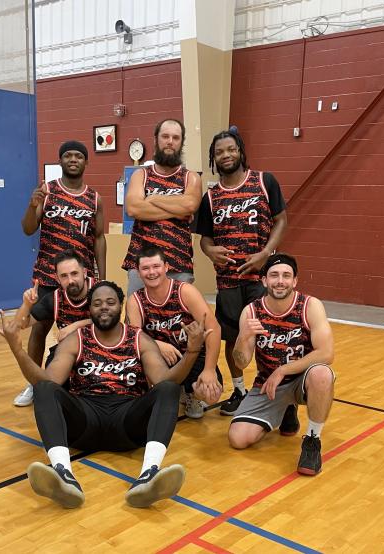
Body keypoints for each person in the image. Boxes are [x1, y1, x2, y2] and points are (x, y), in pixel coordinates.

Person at [0, 281, 218, 508]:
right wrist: (17, 351)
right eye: (97, 303)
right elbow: (48, 381)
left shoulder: (138, 338)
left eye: (110, 302)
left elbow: (164, 380)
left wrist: (192, 351)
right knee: (43, 387)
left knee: (169, 387)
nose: (104, 307)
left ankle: (149, 474)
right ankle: (63, 474)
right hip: (85, 420)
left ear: (120, 306)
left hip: (128, 422)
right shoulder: (78, 338)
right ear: (90, 309)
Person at [197, 127, 290, 422]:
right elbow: (204, 239)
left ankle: (284, 398)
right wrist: (209, 251)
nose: (226, 155)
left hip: (261, 280)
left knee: (272, 338)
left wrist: (265, 254)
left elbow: (281, 220)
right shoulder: (210, 196)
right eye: (219, 152)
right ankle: (238, 390)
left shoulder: (264, 182)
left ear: (240, 151)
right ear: (214, 158)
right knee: (232, 338)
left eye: (230, 150)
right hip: (228, 281)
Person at [14, 140, 106, 407]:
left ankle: (89, 379)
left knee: (91, 330)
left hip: (81, 280)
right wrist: (33, 206)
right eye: (68, 155)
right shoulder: (48, 192)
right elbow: (27, 229)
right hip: (48, 275)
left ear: (86, 162)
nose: (73, 159)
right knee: (39, 329)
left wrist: (102, 277)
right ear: (61, 161)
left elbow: (99, 238)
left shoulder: (95, 198)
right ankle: (34, 384)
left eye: (79, 156)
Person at [229, 253, 335, 476]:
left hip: (302, 380)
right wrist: (243, 337)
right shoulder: (251, 312)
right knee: (238, 439)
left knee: (322, 374)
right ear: (264, 280)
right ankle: (285, 408)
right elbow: (242, 361)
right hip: (269, 385)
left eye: (286, 276)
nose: (280, 281)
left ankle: (312, 440)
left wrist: (283, 370)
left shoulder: (310, 306)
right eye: (274, 275)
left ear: (295, 281)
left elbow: (326, 353)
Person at [125, 246, 223, 419]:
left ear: (166, 267)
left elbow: (213, 328)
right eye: (145, 268)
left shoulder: (184, 291)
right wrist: (157, 344)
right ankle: (156, 393)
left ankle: (192, 395)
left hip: (192, 353)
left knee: (210, 394)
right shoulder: (135, 300)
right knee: (138, 358)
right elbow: (134, 338)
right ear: (138, 273)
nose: (151, 272)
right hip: (161, 357)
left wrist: (209, 370)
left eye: (156, 266)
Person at [122, 119, 202, 297]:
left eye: (175, 137)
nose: (170, 141)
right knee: (137, 320)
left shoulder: (191, 177)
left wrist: (153, 198)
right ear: (156, 139)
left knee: (178, 322)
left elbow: (190, 205)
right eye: (165, 136)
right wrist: (177, 209)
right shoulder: (140, 175)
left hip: (179, 263)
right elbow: (134, 209)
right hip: (141, 263)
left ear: (181, 142)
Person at [15, 249, 96, 373]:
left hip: (98, 351)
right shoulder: (54, 298)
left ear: (84, 273)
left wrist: (75, 326)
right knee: (51, 378)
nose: (70, 281)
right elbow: (22, 324)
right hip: (68, 350)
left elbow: (113, 323)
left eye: (74, 273)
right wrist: (26, 305)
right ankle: (34, 386)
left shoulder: (100, 290)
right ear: (57, 279)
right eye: (64, 276)